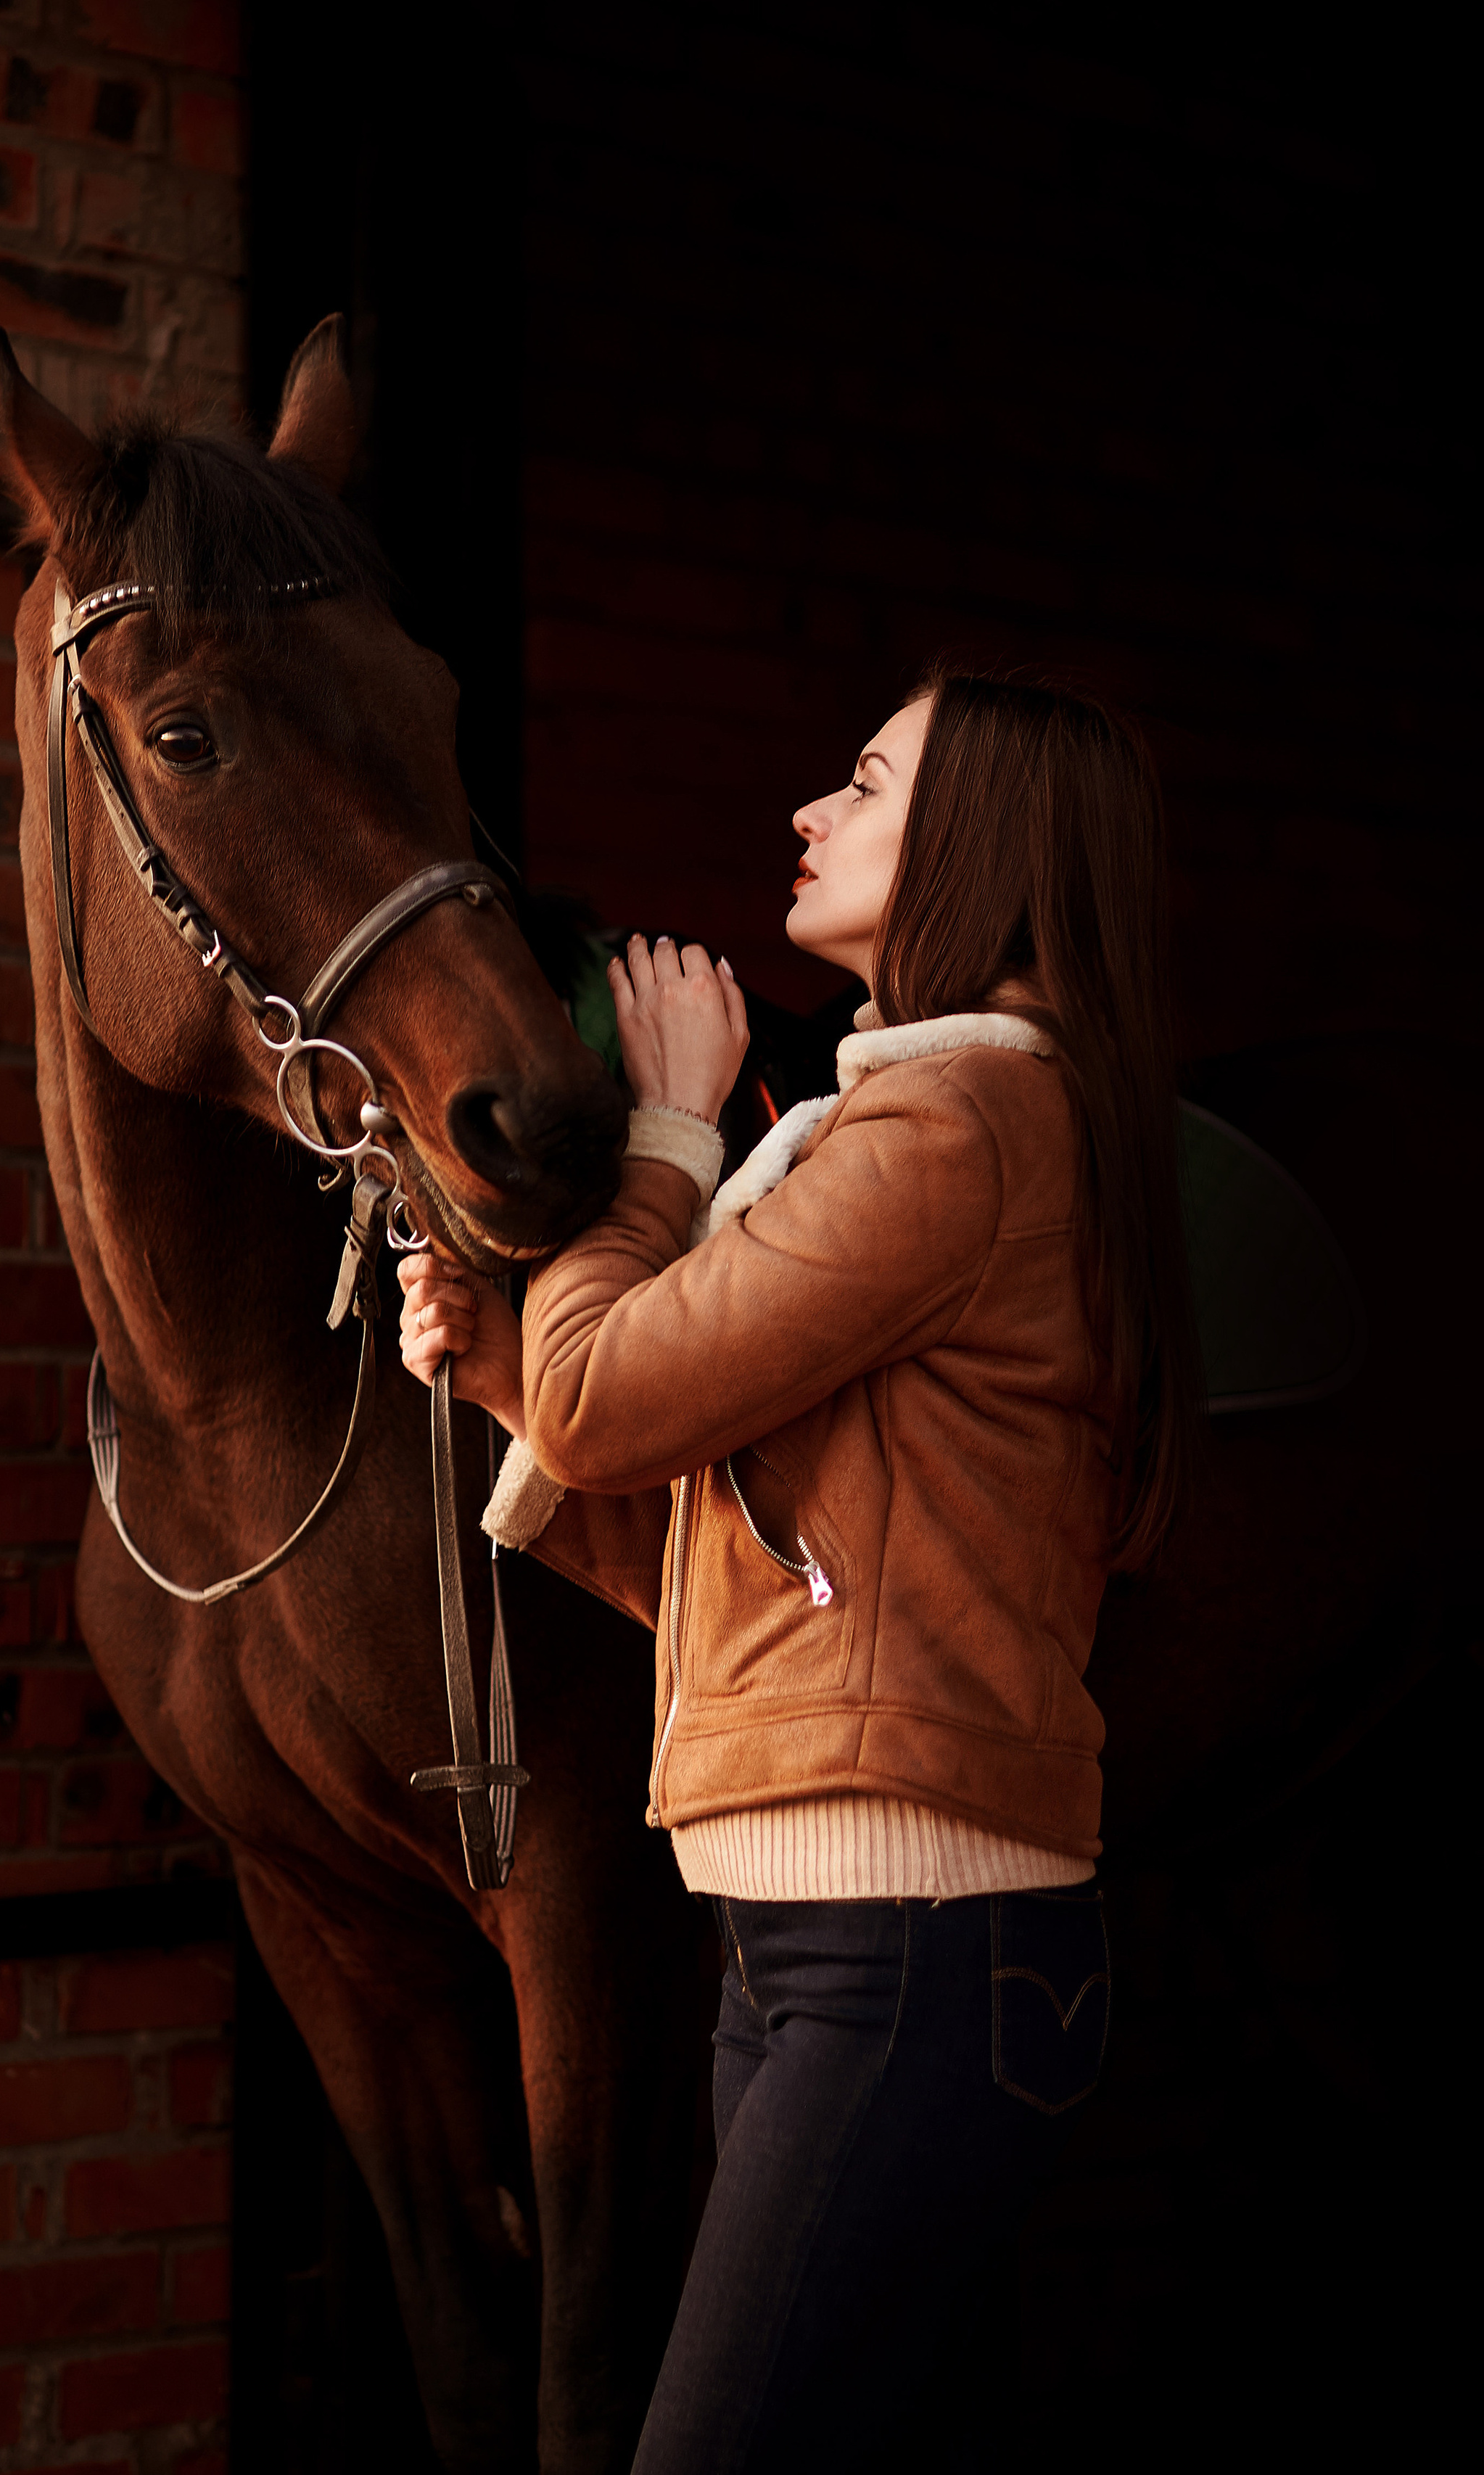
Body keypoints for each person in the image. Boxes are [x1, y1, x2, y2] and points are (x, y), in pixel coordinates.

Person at [397, 671, 1197, 2471]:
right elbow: (738, 1574)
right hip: (819, 1944)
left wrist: (667, 1128)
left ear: (980, 841)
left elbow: (610, 1399)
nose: (807, 814)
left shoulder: (949, 1125)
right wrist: (511, 1365)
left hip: (899, 1951)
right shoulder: (930, 1132)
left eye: (863, 781)